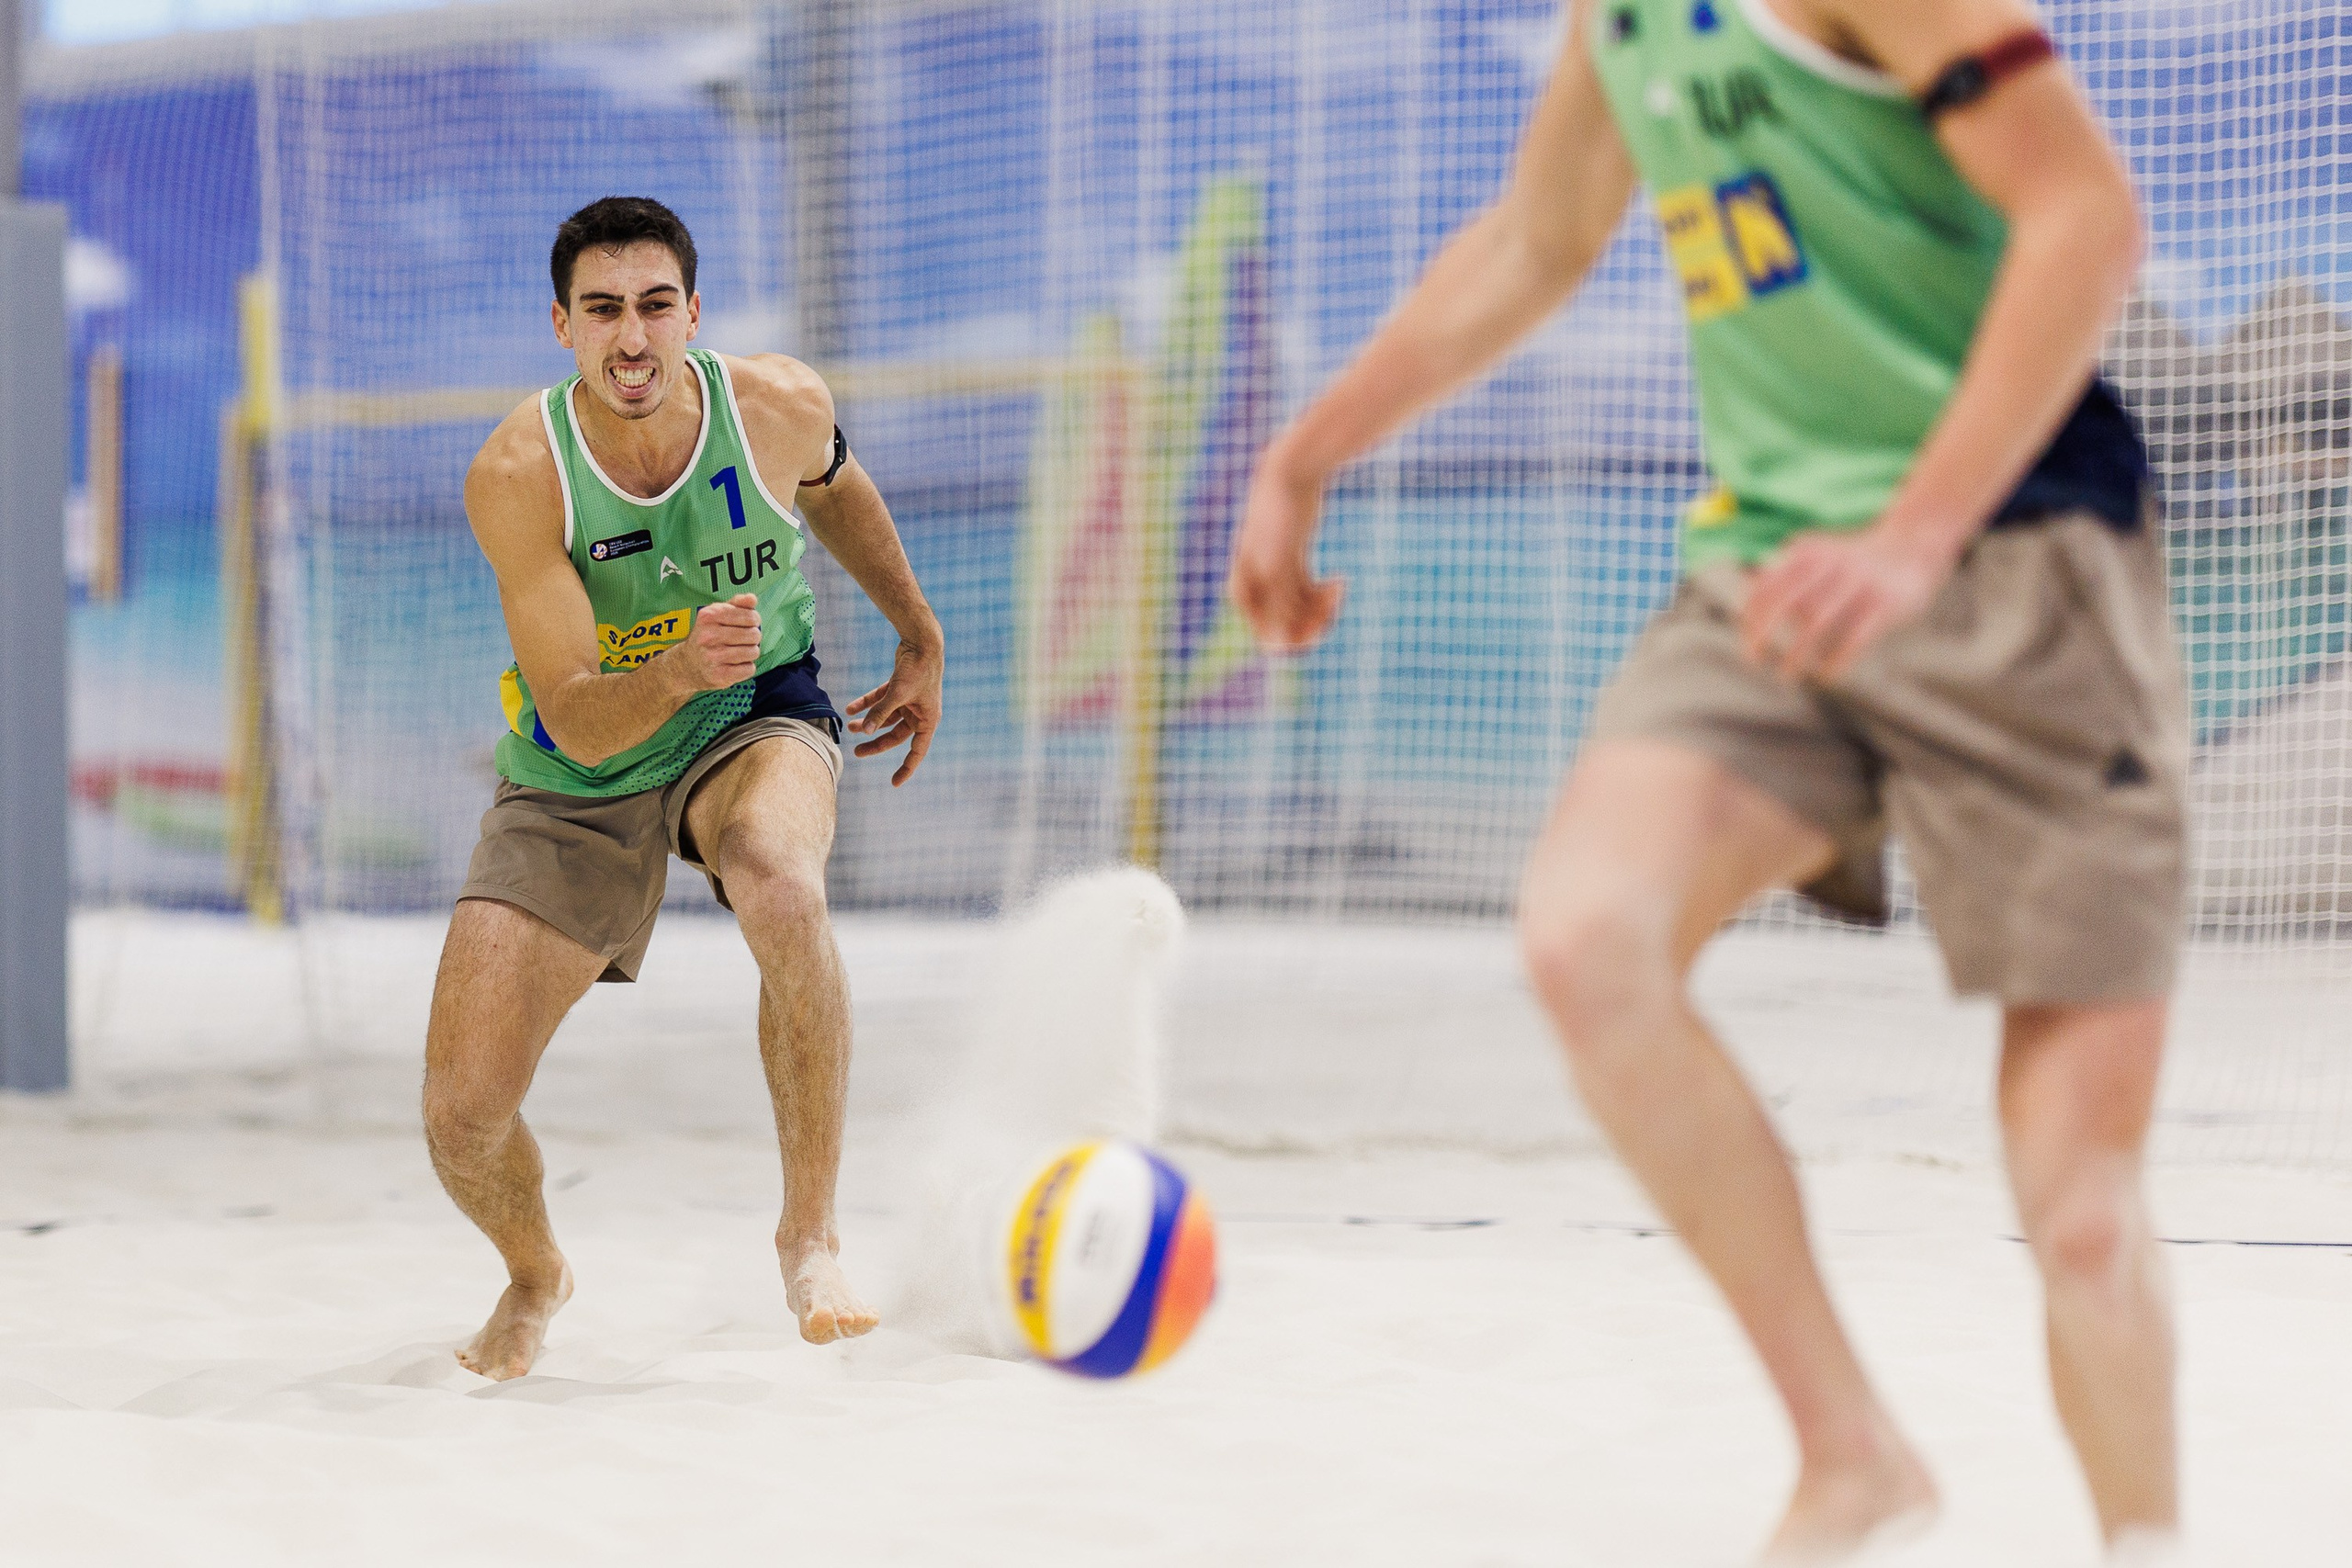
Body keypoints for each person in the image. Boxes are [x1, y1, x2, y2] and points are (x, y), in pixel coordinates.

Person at [1230, 1, 2181, 1561]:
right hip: (1775, 584)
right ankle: (1853, 1454)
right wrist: (1308, 452)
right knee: (1587, 937)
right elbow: (1537, 245)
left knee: (2080, 1210)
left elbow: (2087, 211)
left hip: (2021, 575)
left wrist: (1917, 532)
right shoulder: (1620, 21)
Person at [424, 197, 944, 1381]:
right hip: (585, 762)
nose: (633, 338)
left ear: (693, 314)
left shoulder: (777, 405)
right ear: (562, 325)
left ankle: (808, 1237)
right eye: (603, 310)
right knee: (460, 1114)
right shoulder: (519, 471)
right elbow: (571, 709)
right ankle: (534, 1272)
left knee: (782, 886)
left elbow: (838, 487)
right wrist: (666, 663)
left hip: (749, 708)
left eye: (656, 306)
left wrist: (918, 631)